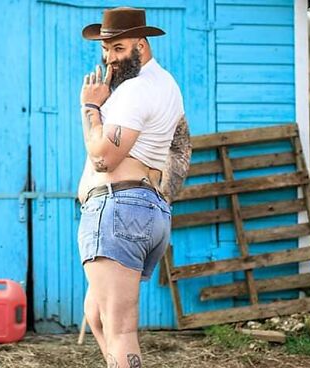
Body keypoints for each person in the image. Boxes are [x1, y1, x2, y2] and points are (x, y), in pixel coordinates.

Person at [77, 7, 189, 367]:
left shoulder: (134, 91)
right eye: (106, 50)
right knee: (96, 313)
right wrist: (161, 198)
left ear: (141, 45)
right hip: (146, 211)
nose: (110, 58)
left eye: (120, 48)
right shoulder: (167, 85)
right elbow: (181, 143)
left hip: (118, 208)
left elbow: (102, 159)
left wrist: (91, 107)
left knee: (122, 330)